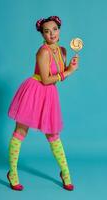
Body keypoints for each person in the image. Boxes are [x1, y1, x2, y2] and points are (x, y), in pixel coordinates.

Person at [7, 16, 79, 191]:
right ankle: (13, 173)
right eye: (47, 31)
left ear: (59, 30)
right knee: (20, 132)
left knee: (53, 135)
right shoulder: (43, 51)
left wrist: (69, 66)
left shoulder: (62, 51)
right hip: (34, 91)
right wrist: (68, 72)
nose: (51, 33)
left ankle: (65, 173)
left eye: (54, 29)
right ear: (42, 34)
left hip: (49, 96)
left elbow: (57, 78)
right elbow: (46, 79)